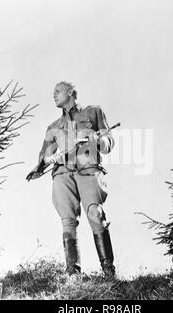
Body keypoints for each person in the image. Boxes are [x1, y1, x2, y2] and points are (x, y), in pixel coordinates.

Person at [26, 81, 116, 277]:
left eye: (57, 91)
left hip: (88, 170)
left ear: (70, 92)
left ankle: (109, 272)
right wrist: (51, 158)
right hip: (62, 174)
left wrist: (98, 140)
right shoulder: (53, 127)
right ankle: (73, 274)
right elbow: (44, 157)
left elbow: (108, 144)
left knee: (95, 214)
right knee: (68, 221)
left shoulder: (94, 112)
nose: (54, 95)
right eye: (53, 92)